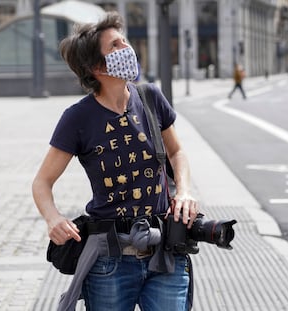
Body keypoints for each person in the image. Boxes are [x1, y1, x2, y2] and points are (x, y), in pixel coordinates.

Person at [32, 12, 198, 311]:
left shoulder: (150, 97)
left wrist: (184, 190)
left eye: (124, 41)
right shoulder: (78, 118)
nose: (128, 49)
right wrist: (53, 218)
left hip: (165, 251)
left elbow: (177, 152)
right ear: (96, 67)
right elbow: (42, 182)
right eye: (117, 45)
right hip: (110, 260)